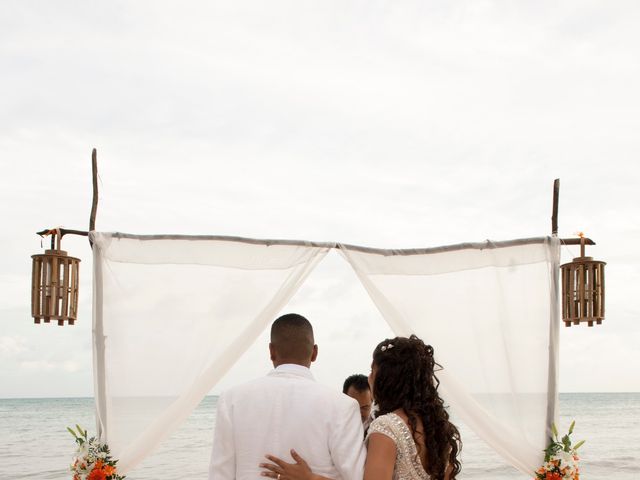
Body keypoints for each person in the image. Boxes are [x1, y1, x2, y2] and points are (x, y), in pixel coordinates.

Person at [260, 335, 462, 480]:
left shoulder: (388, 426)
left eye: (372, 370)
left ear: (389, 380)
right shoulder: (438, 427)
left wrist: (309, 478)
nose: (369, 377)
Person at [209, 313, 366, 480]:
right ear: (314, 352)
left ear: (271, 351)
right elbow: (359, 477)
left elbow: (220, 475)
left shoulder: (231, 400)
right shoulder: (342, 406)